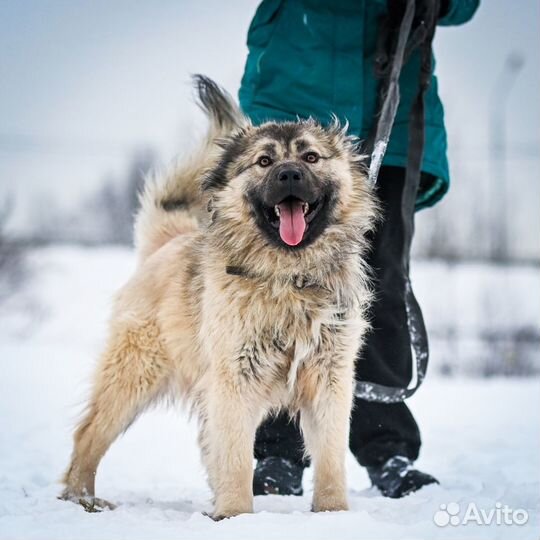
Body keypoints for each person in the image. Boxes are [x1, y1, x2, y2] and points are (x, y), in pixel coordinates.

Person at [238, 0, 480, 498]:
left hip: (388, 104)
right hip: (292, 102)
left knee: (380, 282)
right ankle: (278, 450)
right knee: (278, 290)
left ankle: (387, 445)